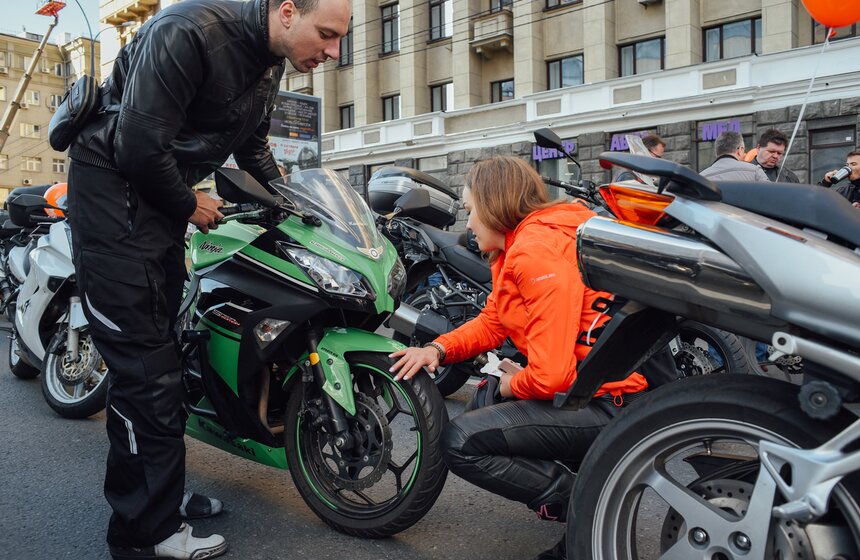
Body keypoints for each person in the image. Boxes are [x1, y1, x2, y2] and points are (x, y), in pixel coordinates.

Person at [65, 1, 351, 558]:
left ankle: (158, 497)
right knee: (144, 370)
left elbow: (253, 144)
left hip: (157, 203)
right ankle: (143, 533)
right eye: (327, 34)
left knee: (165, 357)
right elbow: (137, 146)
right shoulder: (188, 32)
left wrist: (293, 203)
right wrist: (189, 204)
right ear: (287, 12)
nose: (334, 50)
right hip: (114, 199)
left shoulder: (268, 59)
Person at [389, 156, 648, 560]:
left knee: (462, 441)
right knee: (488, 398)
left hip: (611, 403)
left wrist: (515, 381)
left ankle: (586, 503)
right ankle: (585, 513)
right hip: (600, 394)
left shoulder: (533, 251)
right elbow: (494, 321)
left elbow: (553, 376)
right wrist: (436, 349)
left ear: (496, 205)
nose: (469, 223)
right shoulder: (526, 241)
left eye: (472, 210)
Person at [700, 130, 770, 182]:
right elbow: (771, 197)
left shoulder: (701, 178)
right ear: (740, 150)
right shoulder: (754, 171)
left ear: (716, 152)